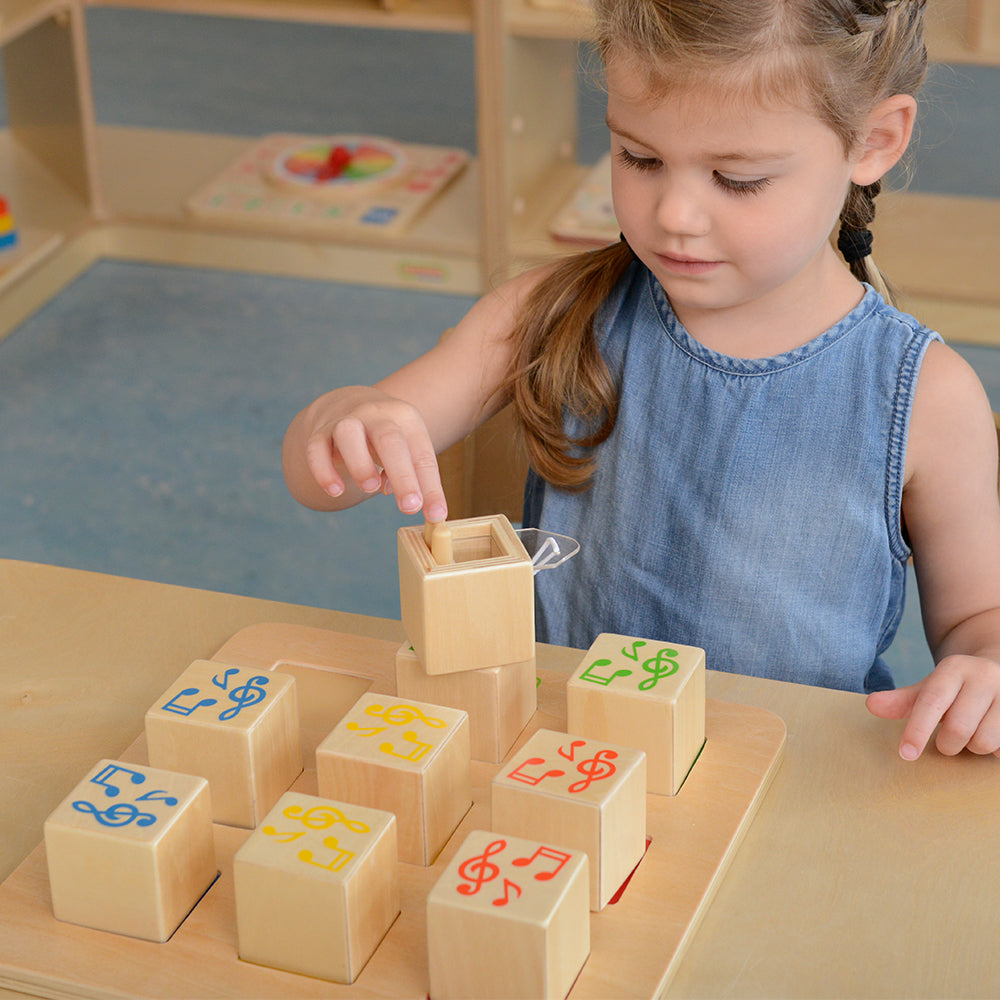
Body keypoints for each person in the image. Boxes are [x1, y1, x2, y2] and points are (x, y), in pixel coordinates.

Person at [282, 0, 1000, 761]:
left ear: (874, 141)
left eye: (738, 178)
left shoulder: (926, 395)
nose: (676, 214)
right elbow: (314, 475)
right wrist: (350, 418)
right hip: (560, 763)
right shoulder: (544, 312)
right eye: (639, 159)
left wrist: (985, 669)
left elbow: (979, 615)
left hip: (785, 785)